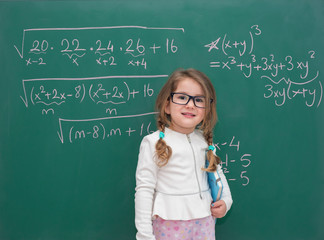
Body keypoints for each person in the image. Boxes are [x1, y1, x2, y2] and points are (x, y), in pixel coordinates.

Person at [135, 68, 233, 240]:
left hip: (204, 223)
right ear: (167, 105)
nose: (190, 105)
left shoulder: (205, 142)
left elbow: (218, 176)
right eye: (182, 97)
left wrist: (226, 201)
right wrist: (144, 235)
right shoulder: (153, 142)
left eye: (199, 100)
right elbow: (144, 190)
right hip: (170, 224)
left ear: (207, 109)